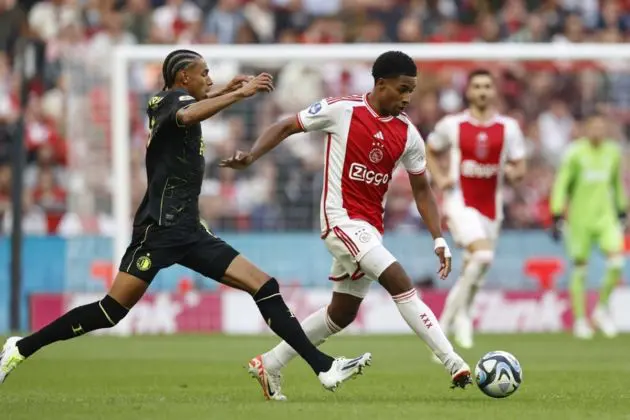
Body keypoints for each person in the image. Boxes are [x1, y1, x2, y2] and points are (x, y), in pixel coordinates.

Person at [0, 49, 371, 393]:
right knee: (111, 311)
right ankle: (21, 347)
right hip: (158, 231)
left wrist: (225, 89)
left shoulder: (182, 100)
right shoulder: (164, 101)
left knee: (264, 285)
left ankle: (323, 367)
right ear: (182, 78)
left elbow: (196, 108)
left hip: (190, 231)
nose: (209, 79)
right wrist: (238, 95)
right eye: (204, 74)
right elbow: (189, 113)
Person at [220, 51, 472, 402]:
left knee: (342, 314)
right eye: (402, 89)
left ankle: (270, 363)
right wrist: (250, 155)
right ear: (380, 84)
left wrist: (439, 238)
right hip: (340, 220)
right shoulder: (342, 109)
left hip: (369, 228)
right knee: (398, 280)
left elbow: (422, 189)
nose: (407, 97)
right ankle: (453, 360)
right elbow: (284, 125)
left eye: (411, 91)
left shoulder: (408, 135)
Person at [426, 69, 526, 350]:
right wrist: (440, 177)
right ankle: (446, 323)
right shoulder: (452, 124)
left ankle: (463, 317)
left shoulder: (509, 127)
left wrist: (515, 173)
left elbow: (520, 165)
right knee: (482, 254)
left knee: (477, 268)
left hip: (492, 208)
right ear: (468, 92)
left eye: (487, 86)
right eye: (477, 86)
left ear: (494, 91)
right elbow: (429, 148)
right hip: (460, 201)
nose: (482, 91)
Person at [550, 112, 626, 339]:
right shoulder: (575, 153)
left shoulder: (613, 152)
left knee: (616, 261)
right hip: (580, 220)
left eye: (602, 128)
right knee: (580, 269)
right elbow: (562, 183)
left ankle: (601, 311)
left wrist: (622, 209)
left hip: (606, 218)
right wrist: (556, 212)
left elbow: (617, 183)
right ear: (586, 129)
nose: (598, 132)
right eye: (594, 127)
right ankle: (581, 320)